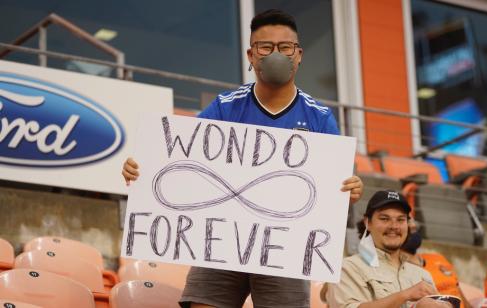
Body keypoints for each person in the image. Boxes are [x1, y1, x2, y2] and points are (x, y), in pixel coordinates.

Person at [122, 9, 364, 308]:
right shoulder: (224, 108)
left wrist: (349, 190)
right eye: (265, 47)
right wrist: (143, 169)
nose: (276, 54)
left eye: (285, 47)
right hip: (220, 243)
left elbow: (335, 190)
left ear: (298, 55)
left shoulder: (320, 118)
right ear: (251, 55)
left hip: (287, 249)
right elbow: (179, 158)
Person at [325, 190, 451, 308]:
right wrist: (405, 296)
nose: (394, 226)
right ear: (367, 223)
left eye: (401, 219)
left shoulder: (422, 275)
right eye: (384, 219)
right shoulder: (347, 268)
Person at [401, 220, 470, 308]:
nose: (413, 225)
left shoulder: (437, 258)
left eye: (414, 222)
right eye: (408, 221)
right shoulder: (401, 269)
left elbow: (457, 288)